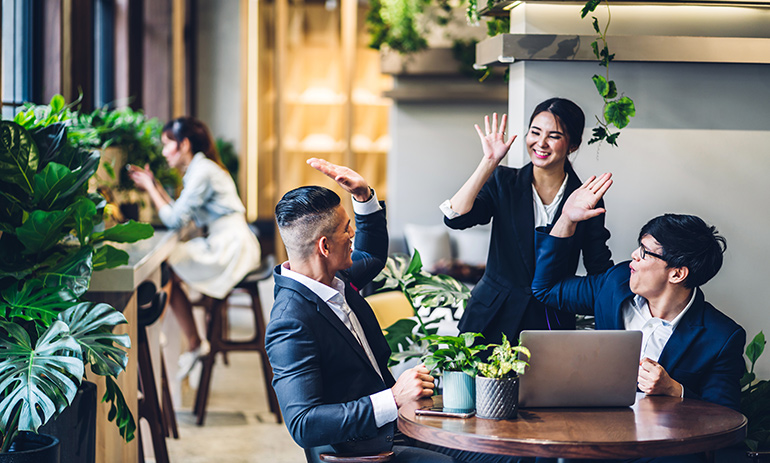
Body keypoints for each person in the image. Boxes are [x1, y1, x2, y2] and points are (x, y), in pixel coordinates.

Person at [266, 159, 519, 463]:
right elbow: (304, 423)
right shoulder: (290, 322)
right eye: (348, 230)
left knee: (502, 440)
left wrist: (363, 196)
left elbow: (372, 254)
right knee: (501, 456)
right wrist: (394, 399)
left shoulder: (335, 279)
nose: (353, 235)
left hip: (397, 426)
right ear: (324, 246)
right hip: (364, 447)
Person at [531, 173, 746, 463]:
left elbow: (725, 421)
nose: (634, 255)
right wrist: (567, 218)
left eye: (645, 253)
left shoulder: (721, 336)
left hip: (663, 451)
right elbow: (547, 289)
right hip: (594, 438)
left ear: (677, 273)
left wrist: (675, 390)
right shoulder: (615, 282)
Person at [441, 99, 613, 345]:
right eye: (535, 132)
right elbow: (455, 219)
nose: (540, 143)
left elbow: (598, 265)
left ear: (572, 145)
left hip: (550, 320)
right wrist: (489, 162)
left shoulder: (586, 197)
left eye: (554, 136)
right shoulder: (503, 181)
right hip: (491, 317)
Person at [128, 116, 261, 379]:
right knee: (170, 264)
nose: (164, 151)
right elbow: (179, 213)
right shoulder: (202, 169)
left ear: (184, 144)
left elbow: (175, 220)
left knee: (168, 262)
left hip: (230, 246)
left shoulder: (202, 171)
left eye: (167, 144)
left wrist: (149, 188)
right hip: (229, 241)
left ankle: (165, 330)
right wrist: (153, 185)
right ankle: (187, 339)